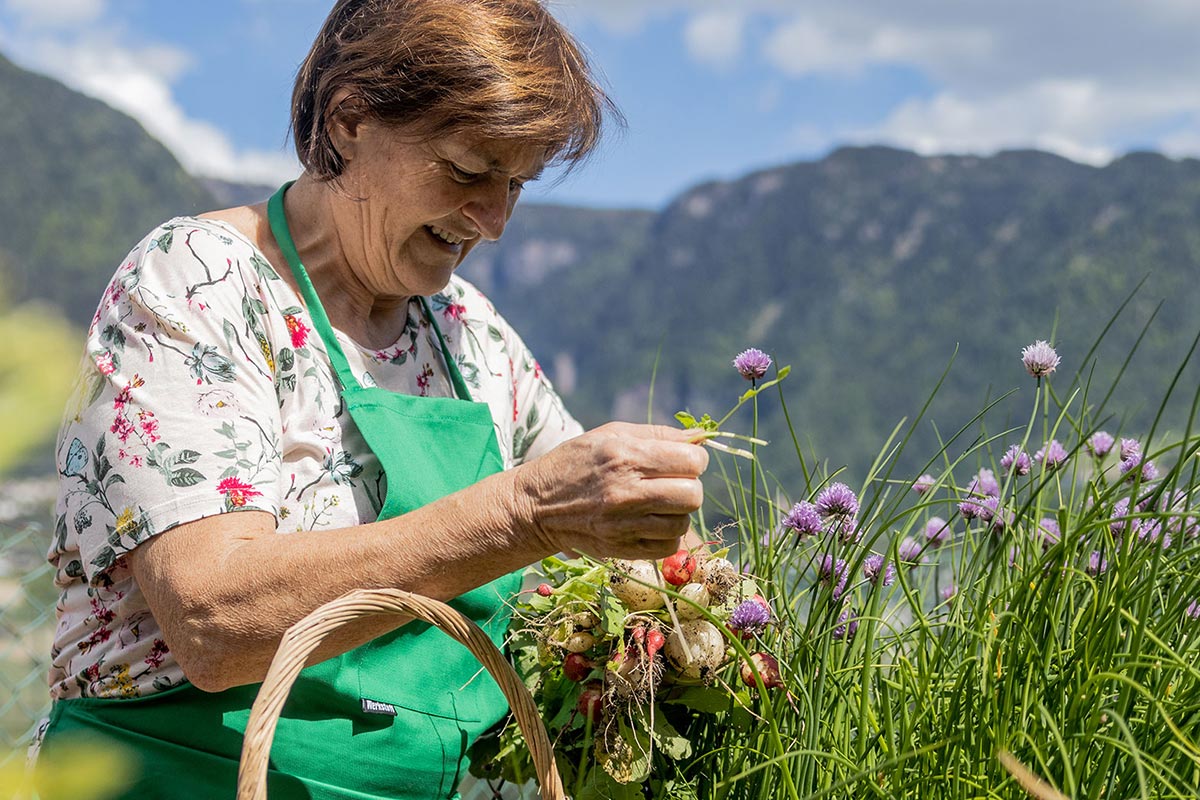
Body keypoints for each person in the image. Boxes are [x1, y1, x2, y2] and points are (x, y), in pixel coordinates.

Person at [36, 1, 709, 797]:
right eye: (467, 171)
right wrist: (520, 514)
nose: (493, 222)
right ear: (351, 119)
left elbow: (592, 545)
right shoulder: (201, 284)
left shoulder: (470, 337)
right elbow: (212, 621)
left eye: (516, 184)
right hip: (186, 775)